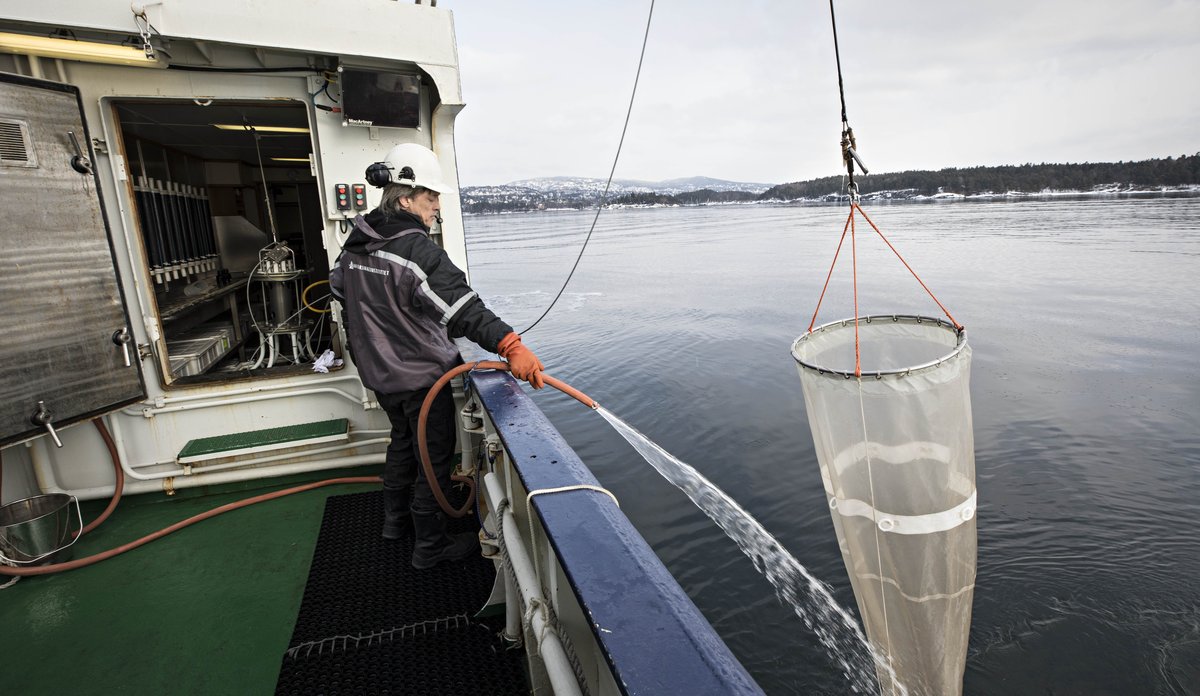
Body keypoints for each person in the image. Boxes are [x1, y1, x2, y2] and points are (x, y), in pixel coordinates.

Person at [330, 143, 544, 570]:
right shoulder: (416, 251)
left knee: (403, 445)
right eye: (431, 197)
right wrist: (510, 345)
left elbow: (339, 290)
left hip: (378, 375)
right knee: (433, 458)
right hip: (420, 379)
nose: (437, 207)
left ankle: (394, 524)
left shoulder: (356, 244)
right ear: (406, 198)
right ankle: (429, 547)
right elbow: (465, 310)